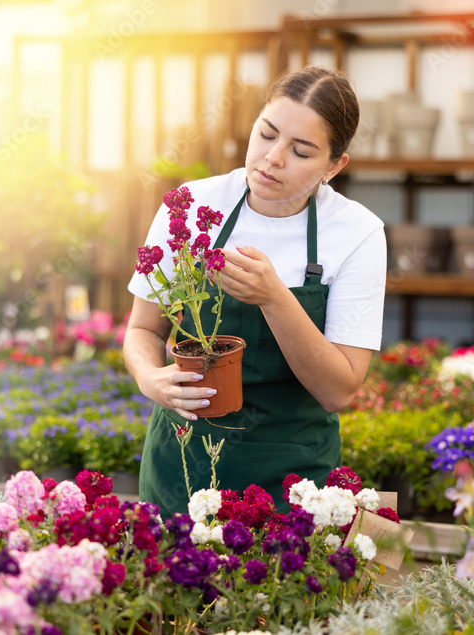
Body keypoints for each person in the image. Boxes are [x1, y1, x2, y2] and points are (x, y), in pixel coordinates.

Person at [124, 66, 386, 515]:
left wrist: (274, 297)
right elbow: (143, 330)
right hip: (182, 467)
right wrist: (151, 379)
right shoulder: (192, 206)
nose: (273, 158)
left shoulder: (356, 232)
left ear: (334, 166)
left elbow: (339, 391)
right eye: (266, 134)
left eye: (301, 151)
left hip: (292, 478)